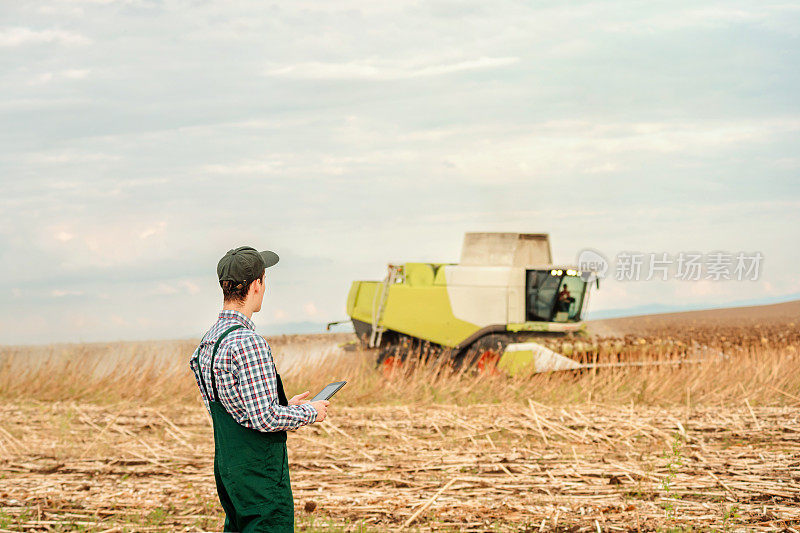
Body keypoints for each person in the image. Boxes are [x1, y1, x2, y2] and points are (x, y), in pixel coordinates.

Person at [189, 246, 330, 532]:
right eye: (264, 280)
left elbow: (235, 408)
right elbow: (264, 419)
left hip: (229, 468)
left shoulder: (209, 341)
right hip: (259, 472)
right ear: (257, 284)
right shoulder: (249, 342)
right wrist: (309, 412)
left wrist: (284, 406)